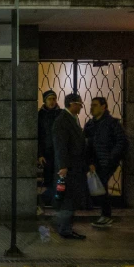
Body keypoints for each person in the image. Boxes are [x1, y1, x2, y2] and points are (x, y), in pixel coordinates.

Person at [84, 97, 129, 228]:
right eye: (91, 105)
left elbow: (121, 142)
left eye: (95, 105)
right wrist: (90, 161)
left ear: (104, 107)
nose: (92, 107)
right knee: (99, 187)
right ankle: (104, 213)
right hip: (95, 162)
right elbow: (87, 145)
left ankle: (106, 215)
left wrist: (111, 157)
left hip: (106, 161)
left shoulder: (112, 123)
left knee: (102, 185)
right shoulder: (90, 124)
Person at [52, 93, 87, 239]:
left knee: (69, 198)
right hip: (69, 168)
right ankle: (64, 227)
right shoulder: (63, 121)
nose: (81, 107)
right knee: (68, 198)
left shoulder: (71, 119)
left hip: (73, 166)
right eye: (80, 104)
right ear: (72, 104)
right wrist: (63, 166)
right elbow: (61, 146)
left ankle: (63, 225)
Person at [38, 90, 62, 207]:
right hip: (47, 152)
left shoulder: (61, 114)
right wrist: (39, 154)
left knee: (59, 178)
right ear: (45, 101)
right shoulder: (40, 115)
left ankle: (56, 200)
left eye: (54, 99)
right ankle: (50, 200)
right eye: (49, 99)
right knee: (48, 177)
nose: (52, 101)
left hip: (59, 151)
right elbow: (39, 135)